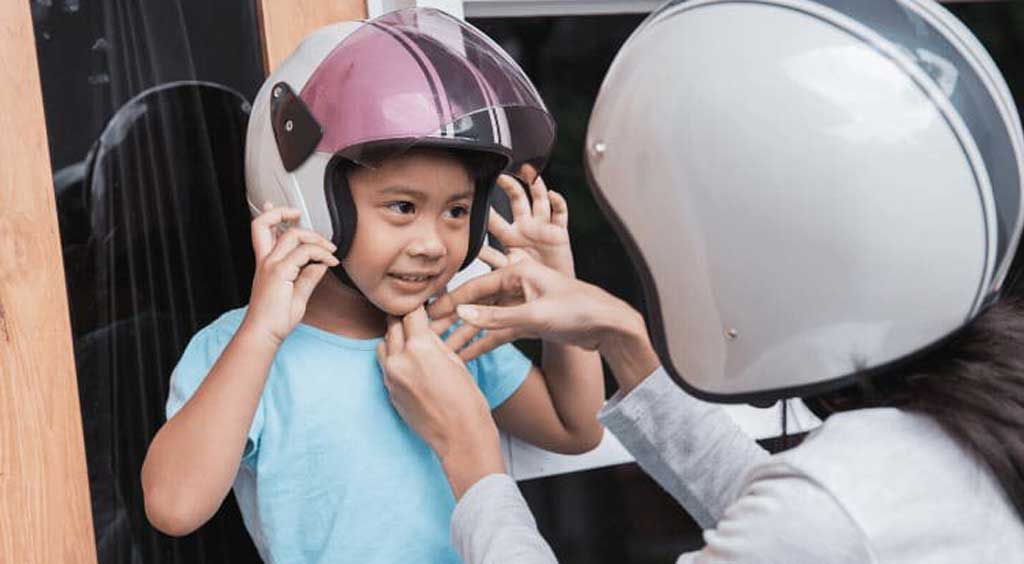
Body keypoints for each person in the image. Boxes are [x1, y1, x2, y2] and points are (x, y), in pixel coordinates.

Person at [378, 1, 1024, 562]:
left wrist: (471, 459)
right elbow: (800, 523)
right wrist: (624, 340)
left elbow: (811, 523)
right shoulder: (970, 424)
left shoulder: (832, 506)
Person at [140, 9, 604, 563]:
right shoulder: (240, 350)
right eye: (402, 207)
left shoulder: (451, 330)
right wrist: (261, 336)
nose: (433, 242)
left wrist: (559, 293)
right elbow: (173, 506)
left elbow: (575, 428)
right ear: (307, 196)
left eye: (457, 211)